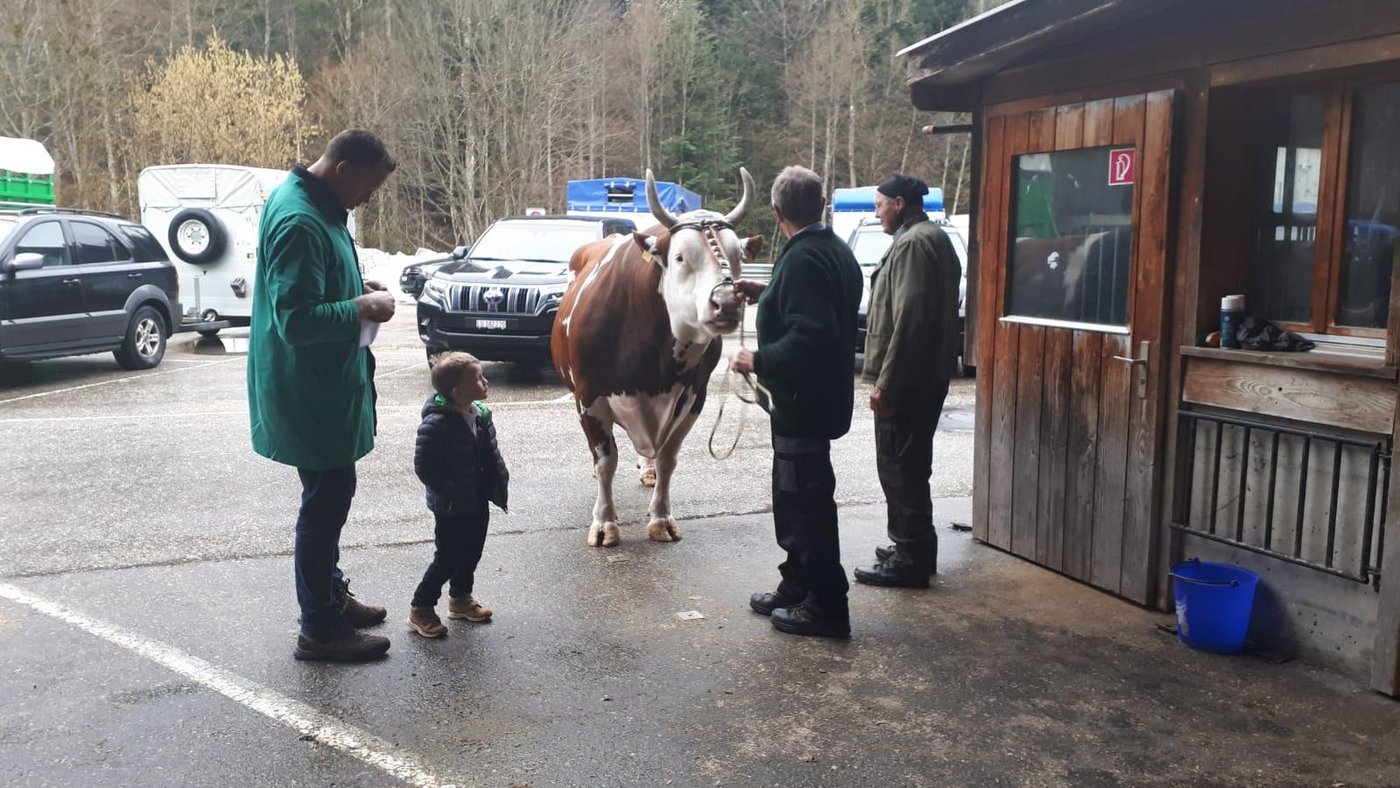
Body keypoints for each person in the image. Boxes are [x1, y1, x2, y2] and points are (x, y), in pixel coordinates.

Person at [247, 129, 398, 662]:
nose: (367, 200)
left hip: (321, 386)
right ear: (343, 170)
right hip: (308, 391)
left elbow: (311, 287)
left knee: (332, 496)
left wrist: (356, 284)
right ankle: (319, 628)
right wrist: (361, 308)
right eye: (368, 188)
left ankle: (329, 596)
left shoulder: (314, 204)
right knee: (324, 504)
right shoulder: (300, 220)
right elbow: (296, 320)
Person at [731, 165, 863, 639]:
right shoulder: (833, 250)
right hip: (815, 402)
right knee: (794, 500)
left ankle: (826, 607)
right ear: (820, 204)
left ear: (776, 210)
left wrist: (758, 359)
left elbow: (813, 334)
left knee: (806, 507)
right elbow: (815, 306)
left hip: (802, 406)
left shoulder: (804, 257)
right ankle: (798, 586)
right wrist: (766, 294)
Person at [853, 174, 961, 588]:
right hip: (923, 377)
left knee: (900, 467)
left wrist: (888, 382)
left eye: (880, 204)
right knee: (910, 465)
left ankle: (910, 559)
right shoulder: (928, 236)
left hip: (909, 382)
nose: (876, 212)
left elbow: (911, 320)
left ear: (899, 203)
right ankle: (914, 547)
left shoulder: (915, 243)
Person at [409, 352, 510, 638]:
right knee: (448, 556)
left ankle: (460, 599)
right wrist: (451, 492)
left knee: (471, 551)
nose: (485, 381)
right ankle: (421, 607)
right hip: (452, 505)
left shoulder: (478, 415)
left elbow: (488, 452)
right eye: (477, 378)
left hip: (477, 497)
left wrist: (497, 481)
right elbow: (425, 467)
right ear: (458, 391)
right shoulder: (437, 423)